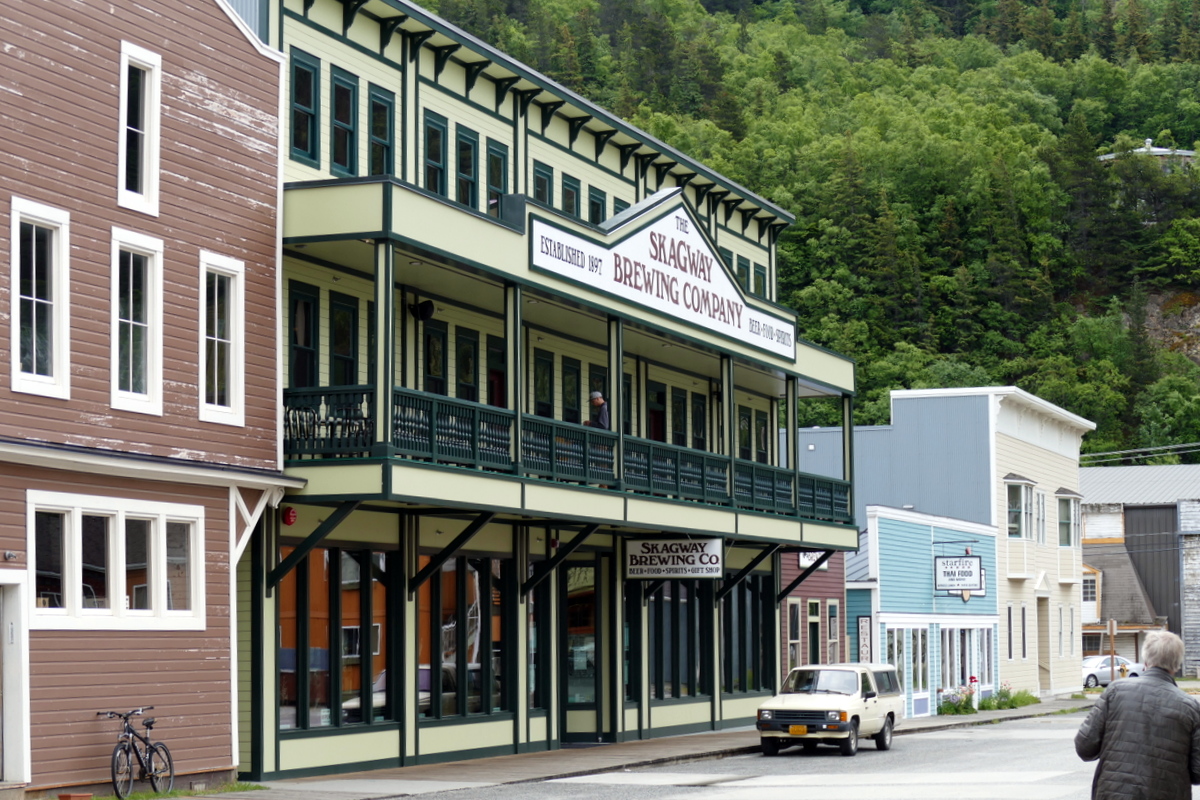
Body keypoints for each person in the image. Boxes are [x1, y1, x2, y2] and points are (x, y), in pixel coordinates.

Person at [1075, 629, 1200, 799]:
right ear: (1177, 665)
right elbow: (1197, 771)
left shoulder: (1115, 692)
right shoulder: (1190, 708)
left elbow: (1085, 747)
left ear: (1145, 660)